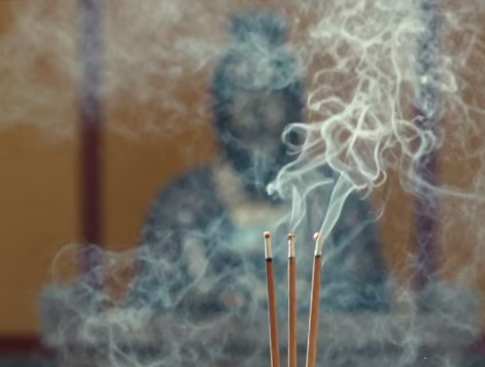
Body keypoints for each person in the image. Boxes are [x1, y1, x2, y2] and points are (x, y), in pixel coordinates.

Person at [127, 12, 390, 315]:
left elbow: (372, 311)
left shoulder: (335, 201)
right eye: (241, 96)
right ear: (219, 113)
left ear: (294, 110)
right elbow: (148, 315)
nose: (256, 114)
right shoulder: (182, 204)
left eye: (271, 95)